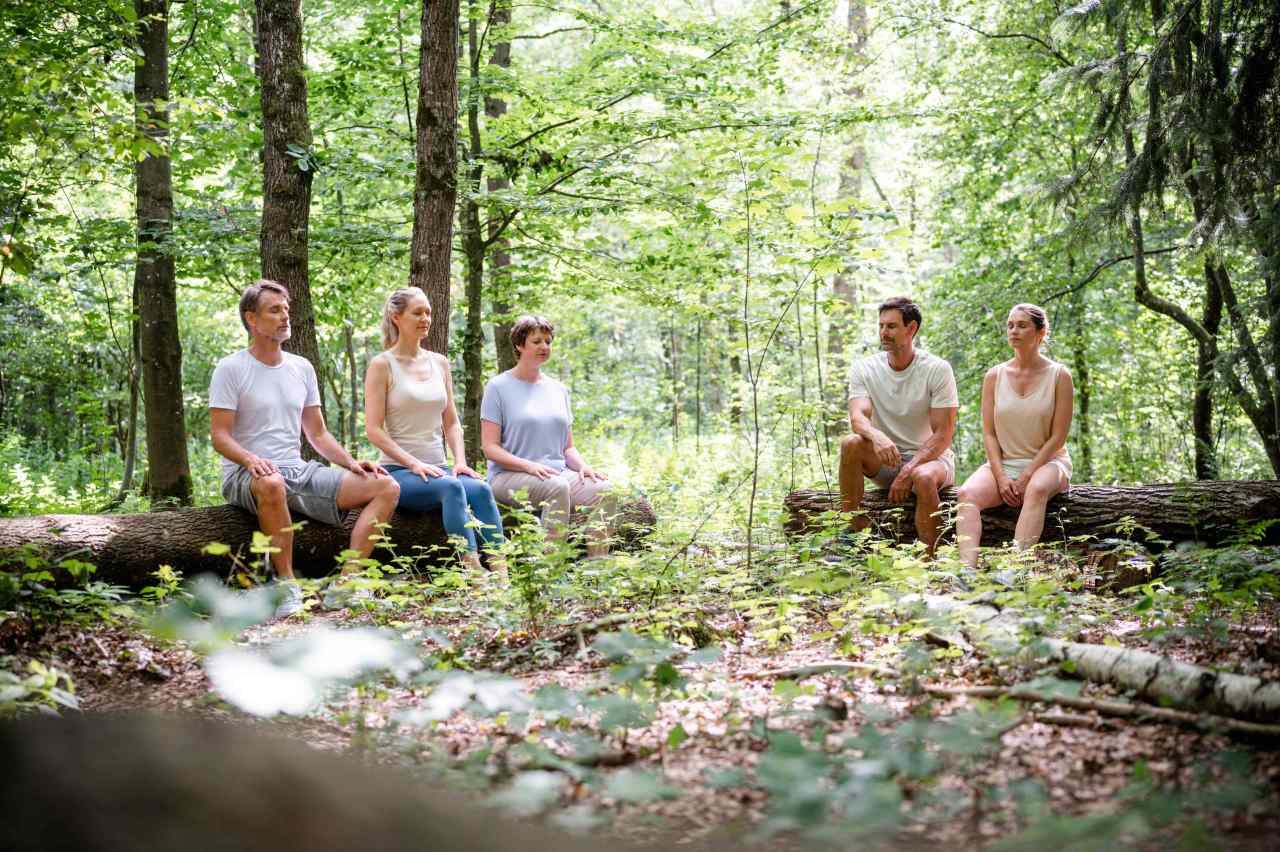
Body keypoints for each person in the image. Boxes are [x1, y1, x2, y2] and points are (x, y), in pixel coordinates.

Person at [209, 279, 400, 618]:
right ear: (252, 320)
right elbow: (220, 437)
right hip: (246, 473)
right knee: (271, 482)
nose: (285, 316)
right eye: (274, 310)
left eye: (286, 309)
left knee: (386, 485)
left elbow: (318, 434)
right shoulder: (231, 368)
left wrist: (352, 463)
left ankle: (347, 583)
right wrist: (251, 459)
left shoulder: (301, 367)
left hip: (296, 470)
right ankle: (285, 585)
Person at [364, 287, 504, 573]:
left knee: (479, 489)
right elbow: (374, 430)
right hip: (399, 472)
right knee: (450, 487)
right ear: (396, 317)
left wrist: (460, 462)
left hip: (439, 468)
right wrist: (414, 464)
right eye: (417, 312)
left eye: (428, 312)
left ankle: (502, 573)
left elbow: (450, 421)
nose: (425, 318)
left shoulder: (439, 362)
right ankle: (474, 573)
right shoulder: (382, 365)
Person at [480, 315, 614, 557]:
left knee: (607, 490)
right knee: (557, 487)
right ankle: (551, 568)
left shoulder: (558, 389)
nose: (544, 347)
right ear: (520, 345)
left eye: (548, 341)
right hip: (508, 476)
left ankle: (598, 567)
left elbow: (567, 448)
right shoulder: (498, 387)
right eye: (537, 341)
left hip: (555, 472)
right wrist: (529, 466)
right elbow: (490, 448)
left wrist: (584, 467)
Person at [955, 303, 1073, 567]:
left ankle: (1015, 571)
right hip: (1004, 463)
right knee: (966, 494)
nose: (1013, 331)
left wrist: (1026, 476)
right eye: (1010, 325)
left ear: (1040, 332)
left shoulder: (1060, 375)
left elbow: (1058, 437)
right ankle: (966, 572)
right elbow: (989, 433)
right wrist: (1000, 476)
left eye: (1021, 325)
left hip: (1048, 463)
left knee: (1037, 488)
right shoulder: (995, 376)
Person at [839, 296, 959, 556]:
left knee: (923, 477)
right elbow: (857, 417)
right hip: (887, 459)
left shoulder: (937, 369)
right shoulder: (864, 368)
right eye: (881, 326)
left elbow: (943, 435)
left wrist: (910, 469)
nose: (884, 332)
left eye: (891, 326)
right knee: (851, 443)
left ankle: (931, 559)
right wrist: (876, 436)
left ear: (911, 328)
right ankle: (854, 540)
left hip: (931, 460)